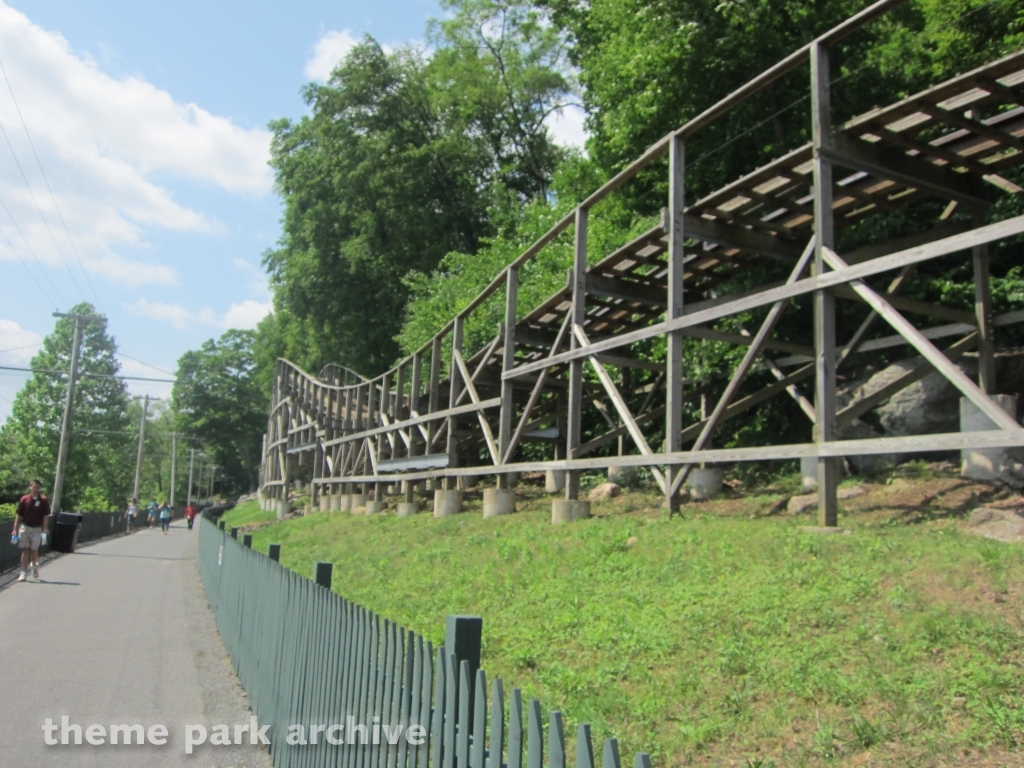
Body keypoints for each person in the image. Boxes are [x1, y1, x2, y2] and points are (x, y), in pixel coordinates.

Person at [11, 479, 51, 582]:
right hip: (25, 527)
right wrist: (15, 529)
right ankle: (23, 573)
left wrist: (45, 528)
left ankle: (34, 566)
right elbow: (19, 515)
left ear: (39, 488)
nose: (35, 489)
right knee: (25, 550)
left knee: (34, 549)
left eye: (37, 487)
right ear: (30, 487)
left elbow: (45, 515)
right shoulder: (25, 499)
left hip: (37, 529)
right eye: (34, 487)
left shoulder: (43, 500)